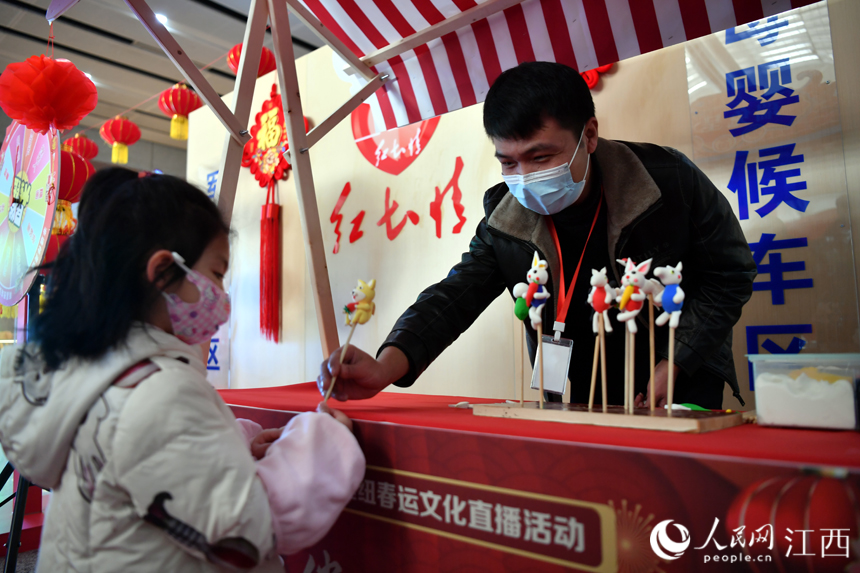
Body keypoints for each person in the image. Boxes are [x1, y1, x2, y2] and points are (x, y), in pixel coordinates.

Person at [319, 61, 756, 410]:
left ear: (588, 134)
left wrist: (675, 362)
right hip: (588, 383)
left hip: (682, 379)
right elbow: (454, 297)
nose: (524, 178)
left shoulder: (667, 181)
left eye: (540, 156)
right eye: (508, 163)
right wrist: (384, 366)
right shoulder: (505, 217)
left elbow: (730, 274)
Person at [0, 169, 365, 572]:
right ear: (163, 272)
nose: (223, 296)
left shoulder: (93, 374)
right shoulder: (163, 392)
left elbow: (146, 461)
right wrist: (323, 442)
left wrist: (234, 443)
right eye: (217, 274)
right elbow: (251, 525)